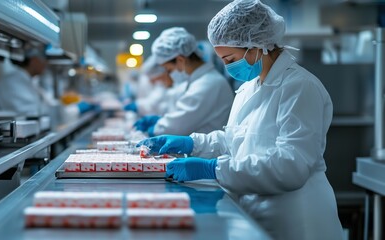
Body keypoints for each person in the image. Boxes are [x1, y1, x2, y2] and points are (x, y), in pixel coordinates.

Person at [137, 1, 343, 239]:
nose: (227, 68)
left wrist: (212, 168)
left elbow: (291, 165)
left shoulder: (300, 87)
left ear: (256, 45)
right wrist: (192, 143)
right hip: (254, 211)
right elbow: (235, 140)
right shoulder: (248, 88)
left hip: (297, 220)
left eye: (230, 58)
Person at [134, 27, 234, 137]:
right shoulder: (198, 81)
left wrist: (154, 129)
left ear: (180, 60)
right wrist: (160, 121)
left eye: (169, 70)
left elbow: (177, 127)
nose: (169, 75)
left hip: (208, 152)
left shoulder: (207, 84)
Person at [0, 48, 94, 118]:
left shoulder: (30, 81)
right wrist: (74, 109)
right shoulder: (13, 82)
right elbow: (32, 113)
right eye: (42, 60)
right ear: (33, 61)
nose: (45, 63)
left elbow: (46, 105)